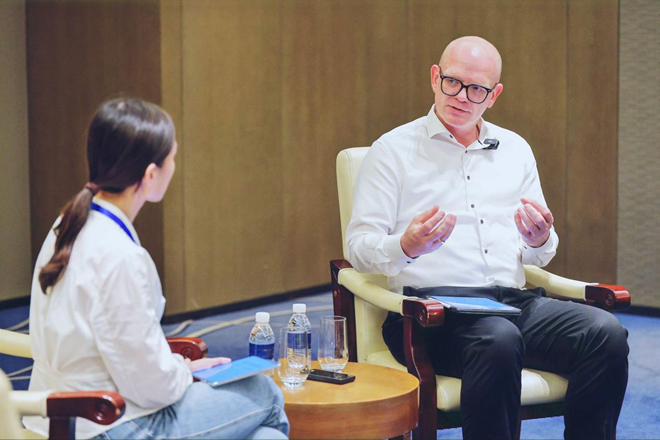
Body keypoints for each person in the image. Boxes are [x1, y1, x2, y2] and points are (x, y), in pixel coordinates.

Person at [346, 36, 628, 440]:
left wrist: (538, 239)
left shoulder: (515, 149)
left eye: (476, 89)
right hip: (432, 313)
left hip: (513, 304)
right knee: (498, 339)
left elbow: (540, 254)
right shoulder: (392, 151)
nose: (461, 96)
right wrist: (405, 246)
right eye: (452, 82)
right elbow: (358, 247)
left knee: (605, 333)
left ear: (493, 95)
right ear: (434, 77)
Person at [24, 98, 289, 440]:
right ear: (150, 175)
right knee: (263, 392)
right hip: (110, 423)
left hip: (54, 415)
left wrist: (179, 368)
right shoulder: (120, 256)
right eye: (172, 158)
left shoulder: (66, 225)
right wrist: (184, 370)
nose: (174, 166)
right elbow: (151, 389)